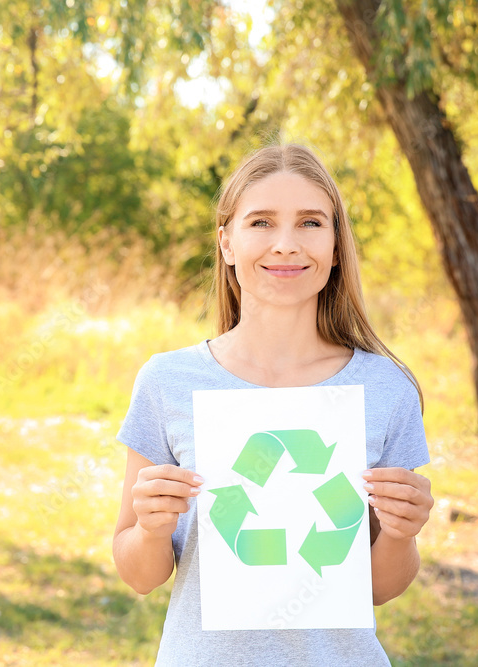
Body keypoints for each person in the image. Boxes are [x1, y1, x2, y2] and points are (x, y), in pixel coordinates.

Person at [111, 143, 434, 666]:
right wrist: (150, 528)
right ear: (227, 242)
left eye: (310, 223)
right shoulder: (168, 382)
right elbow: (138, 575)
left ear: (335, 246)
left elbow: (378, 588)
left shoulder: (384, 389)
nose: (285, 245)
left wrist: (402, 533)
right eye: (261, 222)